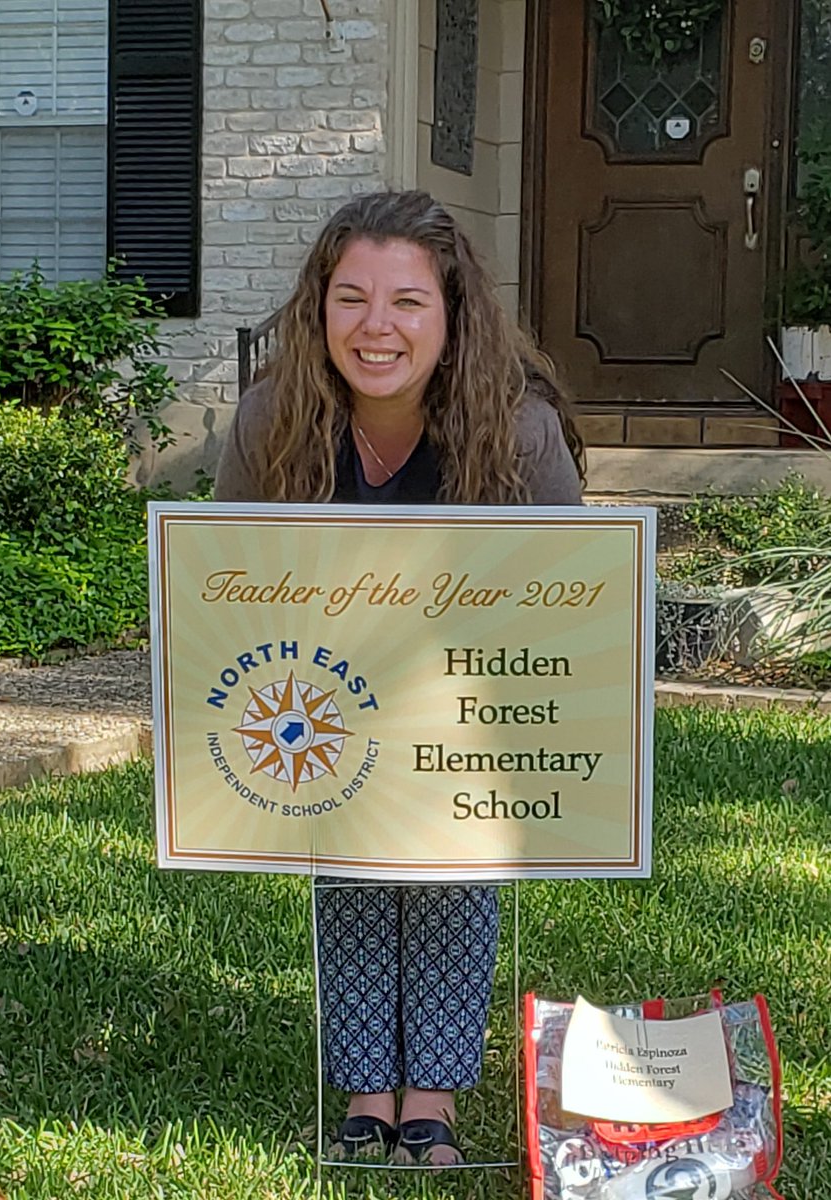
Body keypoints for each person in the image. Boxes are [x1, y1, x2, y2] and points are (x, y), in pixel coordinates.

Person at [214, 189, 585, 1166]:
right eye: (352, 298)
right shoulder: (270, 424)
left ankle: (434, 1102)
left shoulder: (521, 433)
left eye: (408, 302)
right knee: (350, 875)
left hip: (473, 712)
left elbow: (576, 606)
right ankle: (365, 1095)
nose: (377, 327)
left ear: (453, 315)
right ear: (318, 309)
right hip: (329, 707)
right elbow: (222, 586)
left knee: (452, 872)